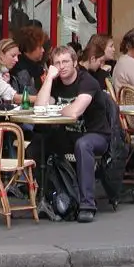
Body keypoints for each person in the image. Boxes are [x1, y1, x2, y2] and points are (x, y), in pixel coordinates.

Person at [34, 45, 112, 223]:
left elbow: (75, 112)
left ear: (75, 63)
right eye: (57, 63)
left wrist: (60, 109)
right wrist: (48, 80)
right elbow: (39, 109)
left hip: (96, 134)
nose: (61, 66)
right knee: (37, 145)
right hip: (68, 134)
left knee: (83, 145)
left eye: (65, 62)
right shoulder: (55, 83)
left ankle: (87, 205)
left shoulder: (87, 81)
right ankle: (53, 197)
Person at [10, 25, 48, 95]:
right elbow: (29, 94)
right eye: (40, 47)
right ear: (29, 48)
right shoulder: (21, 70)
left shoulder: (37, 67)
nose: (43, 50)